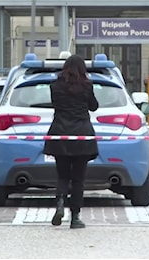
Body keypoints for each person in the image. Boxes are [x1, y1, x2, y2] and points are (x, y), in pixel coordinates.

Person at [43, 54, 99, 229]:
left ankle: (60, 202)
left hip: (60, 134)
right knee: (78, 179)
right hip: (82, 134)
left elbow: (55, 104)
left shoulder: (55, 86)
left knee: (62, 175)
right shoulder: (87, 86)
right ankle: (75, 217)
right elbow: (94, 106)